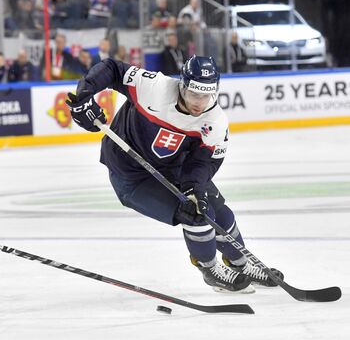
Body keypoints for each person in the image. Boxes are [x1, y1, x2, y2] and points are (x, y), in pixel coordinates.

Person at [65, 56, 284, 293]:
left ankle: (241, 264)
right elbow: (111, 68)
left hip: (175, 168)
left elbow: (204, 161)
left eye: (207, 95)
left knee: (219, 212)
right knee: (197, 215)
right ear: (182, 85)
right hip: (131, 176)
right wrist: (85, 95)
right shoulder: (153, 88)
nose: (199, 103)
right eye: (193, 94)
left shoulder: (214, 121)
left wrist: (194, 187)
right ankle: (210, 270)